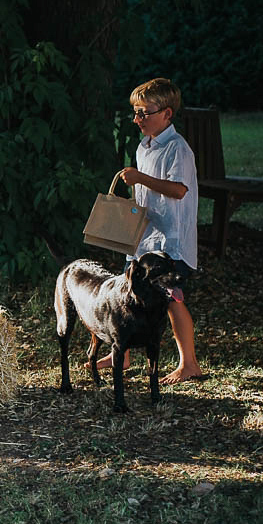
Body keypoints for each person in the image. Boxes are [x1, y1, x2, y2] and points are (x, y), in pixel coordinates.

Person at [98, 77, 204, 384]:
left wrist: (141, 178)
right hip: (143, 238)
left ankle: (190, 363)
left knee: (172, 300)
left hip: (170, 240)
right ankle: (124, 352)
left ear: (167, 114)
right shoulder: (145, 147)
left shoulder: (177, 148)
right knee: (128, 291)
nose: (137, 119)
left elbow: (179, 190)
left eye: (145, 112)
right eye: (135, 112)